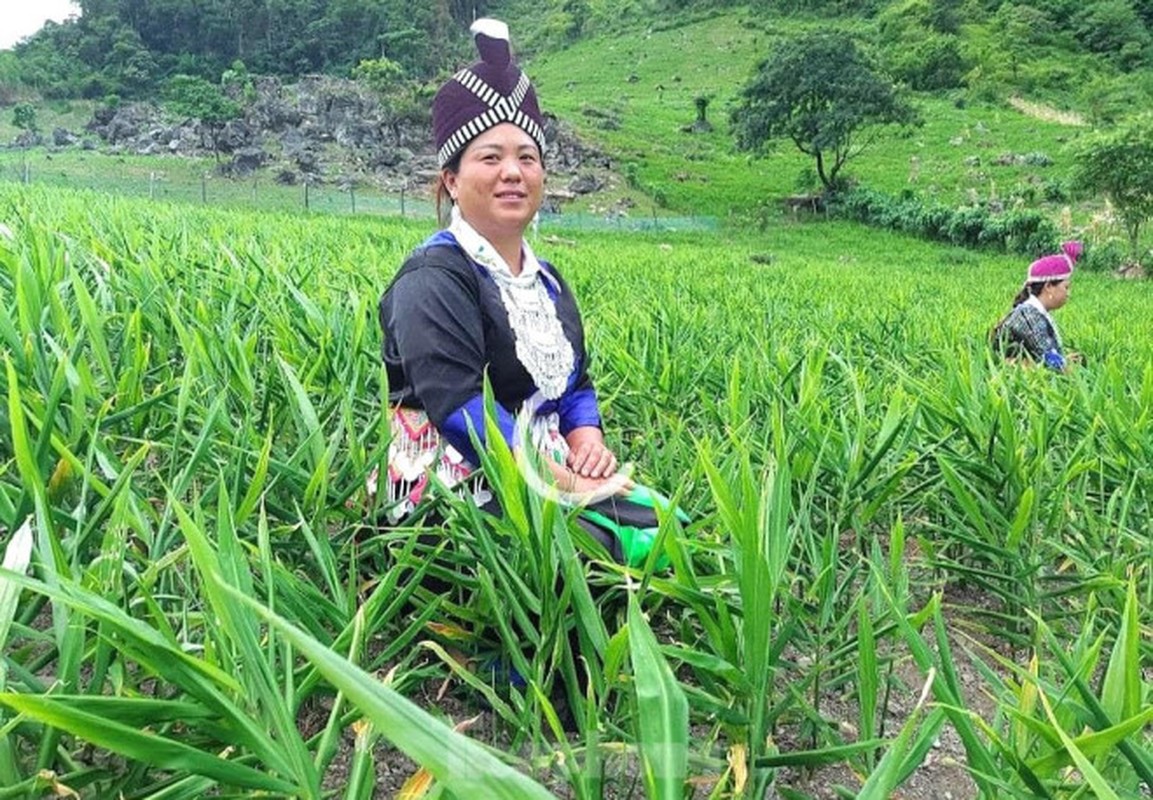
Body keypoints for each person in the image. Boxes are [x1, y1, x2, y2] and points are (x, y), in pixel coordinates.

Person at [377, 19, 681, 567]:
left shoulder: (548, 282)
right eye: (490, 158)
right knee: (594, 556)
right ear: (451, 179)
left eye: (527, 157)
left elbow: (575, 384)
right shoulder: (433, 279)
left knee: (668, 526)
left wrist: (586, 443)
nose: (512, 172)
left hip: (544, 467)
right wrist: (562, 482)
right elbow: (459, 411)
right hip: (458, 483)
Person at [991, 241, 1082, 372]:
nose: (1068, 294)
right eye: (1066, 287)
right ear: (1049, 287)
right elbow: (1051, 361)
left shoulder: (1035, 312)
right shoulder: (1029, 316)